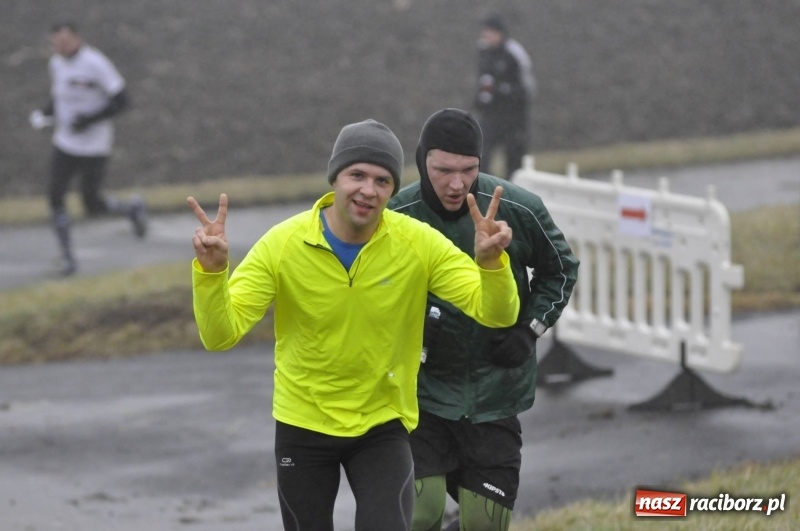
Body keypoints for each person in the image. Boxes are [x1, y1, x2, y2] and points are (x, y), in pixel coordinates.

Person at [187, 118, 522, 531]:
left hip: (382, 426)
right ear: (335, 179)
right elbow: (220, 335)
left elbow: (497, 313)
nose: (368, 190)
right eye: (357, 175)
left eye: (382, 180)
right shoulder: (283, 244)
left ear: (392, 190)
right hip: (303, 426)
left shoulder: (417, 243)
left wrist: (491, 265)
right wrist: (211, 274)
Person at [388, 108, 579, 531]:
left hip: (494, 396)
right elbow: (369, 294)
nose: (457, 184)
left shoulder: (518, 207)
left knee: (484, 526)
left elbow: (562, 270)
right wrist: (410, 325)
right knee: (421, 514)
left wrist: (530, 330)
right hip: (423, 397)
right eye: (443, 170)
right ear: (423, 162)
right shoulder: (396, 215)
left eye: (469, 169)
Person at [30, 22, 147, 277]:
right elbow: (58, 95)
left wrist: (89, 120)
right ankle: (66, 256)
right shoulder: (56, 64)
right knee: (55, 196)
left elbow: (122, 101)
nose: (60, 47)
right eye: (55, 43)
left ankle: (132, 209)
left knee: (91, 204)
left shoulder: (96, 64)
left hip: (95, 146)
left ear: (77, 38)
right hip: (65, 143)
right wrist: (45, 113)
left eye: (65, 41)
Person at [475, 13, 536, 179]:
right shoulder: (484, 51)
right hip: (491, 115)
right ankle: (485, 188)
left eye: (489, 32)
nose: (485, 36)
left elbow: (526, 88)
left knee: (514, 159)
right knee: (482, 152)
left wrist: (503, 91)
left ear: (499, 33)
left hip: (513, 117)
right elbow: (483, 80)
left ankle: (512, 193)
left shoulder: (513, 53)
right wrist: (481, 99)